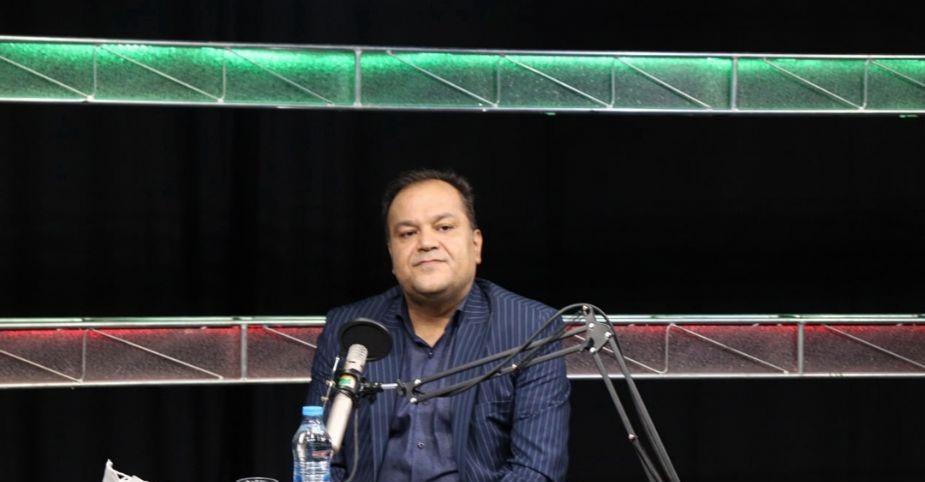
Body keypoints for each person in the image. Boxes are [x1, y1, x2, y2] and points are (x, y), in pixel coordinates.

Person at [305, 169, 570, 482]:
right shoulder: (350, 329)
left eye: (444, 227)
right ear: (391, 254)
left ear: (476, 245)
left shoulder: (531, 327)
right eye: (407, 233)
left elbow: (536, 469)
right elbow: (318, 461)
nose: (426, 243)